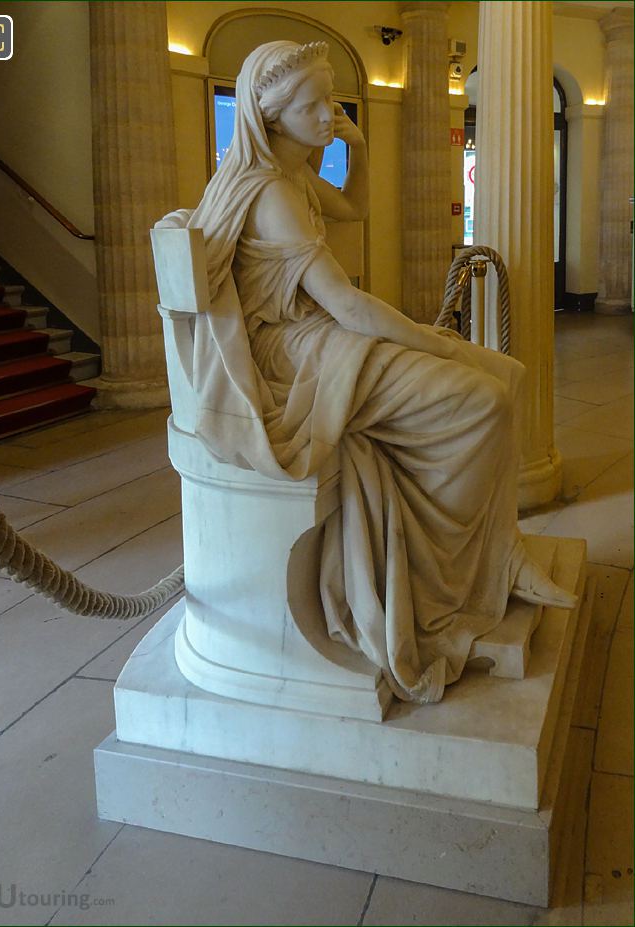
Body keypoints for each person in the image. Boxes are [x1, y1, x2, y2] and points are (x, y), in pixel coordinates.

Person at [157, 40, 576, 704]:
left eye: (330, 101)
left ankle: (500, 553)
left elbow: (353, 209)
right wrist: (434, 343)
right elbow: (347, 304)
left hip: (321, 337)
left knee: (509, 375)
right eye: (312, 105)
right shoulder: (272, 195)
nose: (328, 114)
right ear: (270, 116)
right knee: (481, 399)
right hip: (295, 358)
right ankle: (452, 581)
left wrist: (360, 147)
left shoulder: (291, 175)